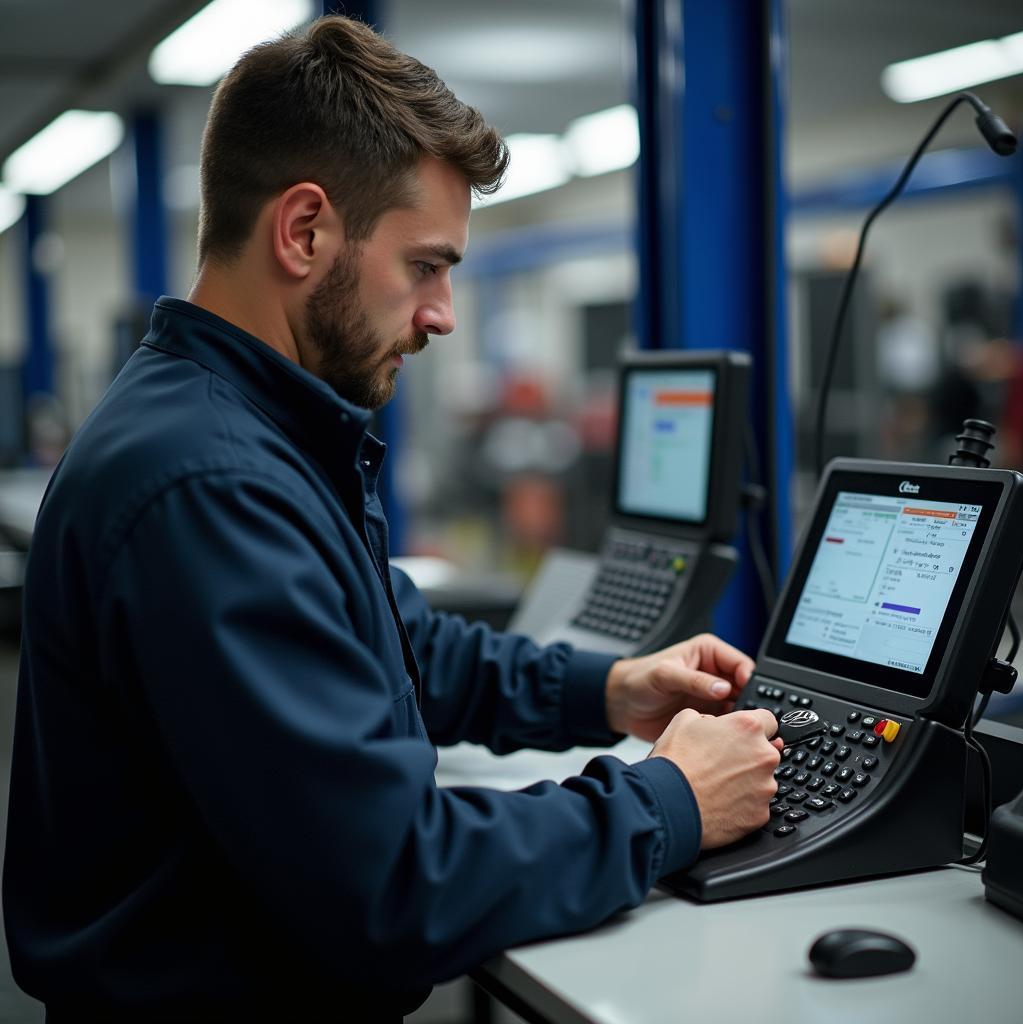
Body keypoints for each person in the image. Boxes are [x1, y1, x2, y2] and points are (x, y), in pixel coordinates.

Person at [3, 15, 782, 1021]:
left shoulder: (250, 428)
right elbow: (394, 883)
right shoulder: (210, 481)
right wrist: (668, 800)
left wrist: (610, 689)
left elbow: (396, 645)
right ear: (304, 230)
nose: (443, 312)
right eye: (425, 265)